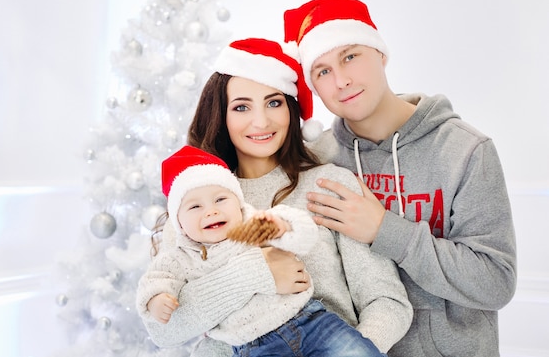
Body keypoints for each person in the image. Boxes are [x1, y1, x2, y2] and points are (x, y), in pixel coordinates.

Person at [143, 38, 413, 357]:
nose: (261, 122)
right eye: (242, 107)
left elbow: (388, 304)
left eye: (274, 103)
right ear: (221, 115)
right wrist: (256, 274)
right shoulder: (199, 205)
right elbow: (165, 330)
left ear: (291, 108)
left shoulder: (330, 184)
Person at [283, 0, 517, 356]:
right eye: (323, 71)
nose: (341, 80)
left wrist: (384, 230)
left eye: (350, 56)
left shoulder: (466, 150)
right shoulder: (318, 162)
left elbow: (496, 281)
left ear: (381, 54)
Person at [137, 145, 387, 357]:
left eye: (220, 200)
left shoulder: (251, 224)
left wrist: (284, 227)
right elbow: (156, 283)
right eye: (195, 207)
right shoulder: (179, 257)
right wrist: (157, 299)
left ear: (239, 203)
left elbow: (304, 236)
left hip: (311, 321)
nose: (211, 211)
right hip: (254, 347)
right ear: (179, 223)